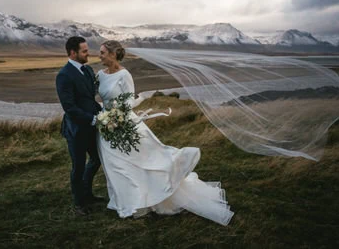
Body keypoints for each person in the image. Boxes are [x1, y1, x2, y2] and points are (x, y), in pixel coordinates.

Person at [96, 40, 234, 225]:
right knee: (115, 165)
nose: (99, 55)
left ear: (113, 54)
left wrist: (115, 115)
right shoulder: (99, 74)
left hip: (123, 123)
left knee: (139, 161)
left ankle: (147, 195)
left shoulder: (124, 75)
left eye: (103, 52)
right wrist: (103, 115)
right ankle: (127, 200)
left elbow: (129, 101)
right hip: (106, 126)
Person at [56, 36, 105, 216]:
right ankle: (79, 204)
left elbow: (89, 98)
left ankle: (87, 194)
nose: (88, 53)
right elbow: (69, 107)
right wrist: (92, 119)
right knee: (78, 166)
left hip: (92, 125)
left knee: (96, 159)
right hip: (75, 129)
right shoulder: (64, 75)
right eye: (84, 51)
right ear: (73, 53)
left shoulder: (89, 70)